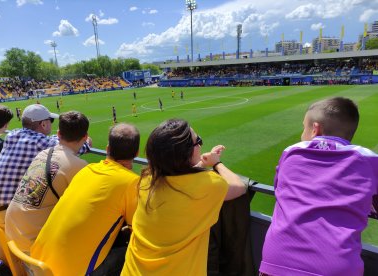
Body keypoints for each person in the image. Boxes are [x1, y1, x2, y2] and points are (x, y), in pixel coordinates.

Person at [259, 97, 378, 276]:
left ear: (315, 129)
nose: (302, 134)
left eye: (304, 127)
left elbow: (279, 188)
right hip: (337, 267)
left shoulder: (291, 152)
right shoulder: (369, 159)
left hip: (276, 262)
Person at [121, 119, 246, 275]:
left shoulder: (146, 180)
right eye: (198, 141)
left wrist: (200, 163)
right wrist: (216, 163)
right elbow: (239, 186)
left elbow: (177, 178)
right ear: (185, 153)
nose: (200, 145)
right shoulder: (209, 185)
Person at [31, 123, 140, 276]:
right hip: (70, 272)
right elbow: (138, 230)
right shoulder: (132, 183)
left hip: (36, 263)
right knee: (133, 252)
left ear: (108, 149)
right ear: (137, 153)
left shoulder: (86, 170)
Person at [0, 104, 91, 228]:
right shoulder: (40, 142)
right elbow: (74, 145)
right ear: (43, 124)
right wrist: (87, 141)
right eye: (50, 120)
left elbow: (53, 140)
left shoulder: (12, 135)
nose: (51, 124)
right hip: (9, 215)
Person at [5, 111, 89, 252]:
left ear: (58, 134)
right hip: (33, 244)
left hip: (12, 233)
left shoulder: (42, 154)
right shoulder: (79, 166)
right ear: (85, 137)